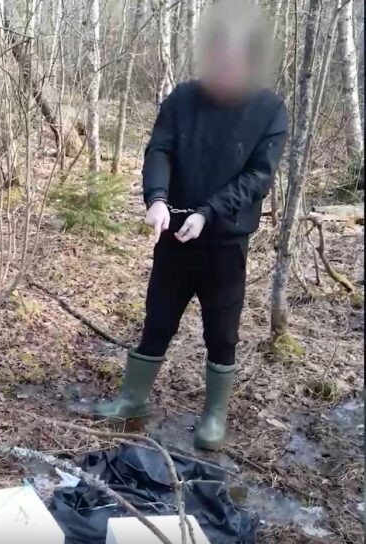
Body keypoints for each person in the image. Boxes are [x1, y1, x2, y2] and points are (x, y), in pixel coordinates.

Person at [93, 0, 289, 451]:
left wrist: (208, 212)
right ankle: (132, 400)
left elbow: (258, 176)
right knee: (158, 319)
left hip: (225, 242)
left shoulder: (269, 110)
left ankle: (213, 417)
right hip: (175, 235)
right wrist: (157, 199)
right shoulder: (182, 98)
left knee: (221, 331)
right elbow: (159, 149)